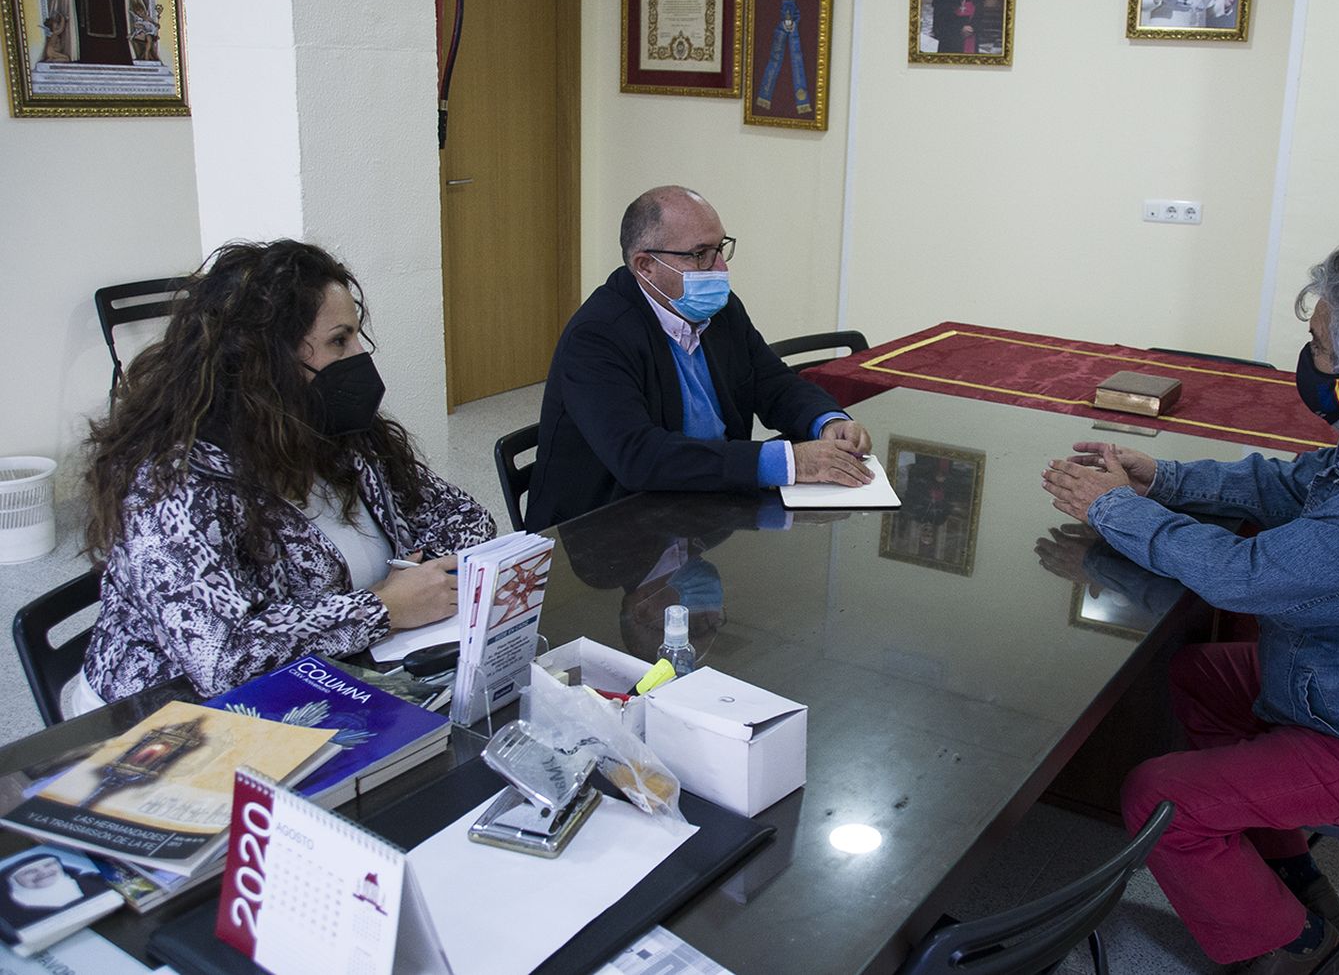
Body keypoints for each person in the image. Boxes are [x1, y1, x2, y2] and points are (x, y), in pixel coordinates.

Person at [1040, 237, 1339, 974]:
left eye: (1318, 343)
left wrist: (1115, 509)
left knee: (1156, 796)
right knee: (1200, 675)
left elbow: (1247, 577)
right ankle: (1290, 873)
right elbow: (1295, 484)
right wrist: (1163, 478)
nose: (1308, 357)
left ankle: (1295, 948)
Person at [79, 240, 495, 705]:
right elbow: (223, 658)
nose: (358, 356)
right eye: (339, 340)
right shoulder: (169, 483)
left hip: (338, 673)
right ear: (266, 360)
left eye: (356, 336)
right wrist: (383, 607)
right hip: (165, 717)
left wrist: (423, 577)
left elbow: (464, 518)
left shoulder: (331, 424)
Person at [523, 186, 873, 531]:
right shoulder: (597, 336)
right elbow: (639, 457)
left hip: (706, 503)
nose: (719, 267)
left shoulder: (721, 309)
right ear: (645, 265)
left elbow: (772, 382)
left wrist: (826, 421)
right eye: (701, 253)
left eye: (720, 248)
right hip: (605, 533)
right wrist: (788, 462)